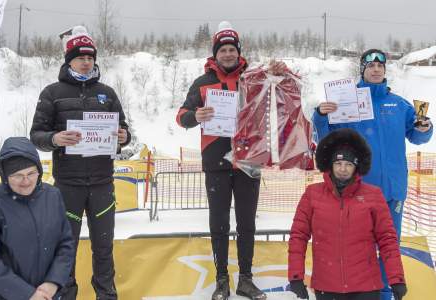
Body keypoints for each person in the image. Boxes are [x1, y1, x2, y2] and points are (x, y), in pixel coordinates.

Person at [176, 21, 288, 300]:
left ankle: (246, 280)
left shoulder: (253, 78)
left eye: (232, 49)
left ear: (238, 53)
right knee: (219, 223)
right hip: (216, 160)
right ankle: (222, 279)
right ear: (215, 54)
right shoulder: (202, 84)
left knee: (247, 222)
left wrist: (279, 72)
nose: (228, 54)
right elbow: (181, 116)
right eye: (223, 50)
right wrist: (195, 117)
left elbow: (281, 87)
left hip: (249, 159)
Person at [312, 49, 432, 299]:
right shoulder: (347, 101)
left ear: (385, 71)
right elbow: (326, 136)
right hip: (360, 191)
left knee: (390, 245)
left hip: (393, 191)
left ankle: (386, 292)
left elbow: (418, 136)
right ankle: (361, 292)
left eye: (380, 66)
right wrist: (321, 115)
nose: (376, 70)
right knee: (359, 245)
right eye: (371, 66)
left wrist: (425, 127)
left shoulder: (399, 104)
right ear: (363, 70)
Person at [30, 25, 131, 300]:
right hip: (67, 186)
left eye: (90, 57)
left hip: (102, 185)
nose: (86, 62)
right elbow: (36, 135)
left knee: (103, 248)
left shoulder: (107, 93)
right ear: (69, 60)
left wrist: (123, 136)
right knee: (65, 248)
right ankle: (66, 295)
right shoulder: (52, 92)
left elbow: (124, 131)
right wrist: (55, 138)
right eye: (80, 57)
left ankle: (106, 296)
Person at [288, 128, 407, 300]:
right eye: (338, 164)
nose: (343, 169)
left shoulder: (373, 195)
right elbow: (298, 236)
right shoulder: (312, 194)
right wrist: (295, 276)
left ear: (357, 166)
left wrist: (396, 279)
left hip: (366, 287)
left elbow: (387, 239)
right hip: (327, 287)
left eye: (349, 164)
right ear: (330, 164)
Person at [0, 137, 74, 300]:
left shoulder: (53, 196)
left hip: (49, 294)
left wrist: (53, 282)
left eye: (31, 173)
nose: (26, 181)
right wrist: (27, 294)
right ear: (5, 175)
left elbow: (65, 245)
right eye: (17, 175)